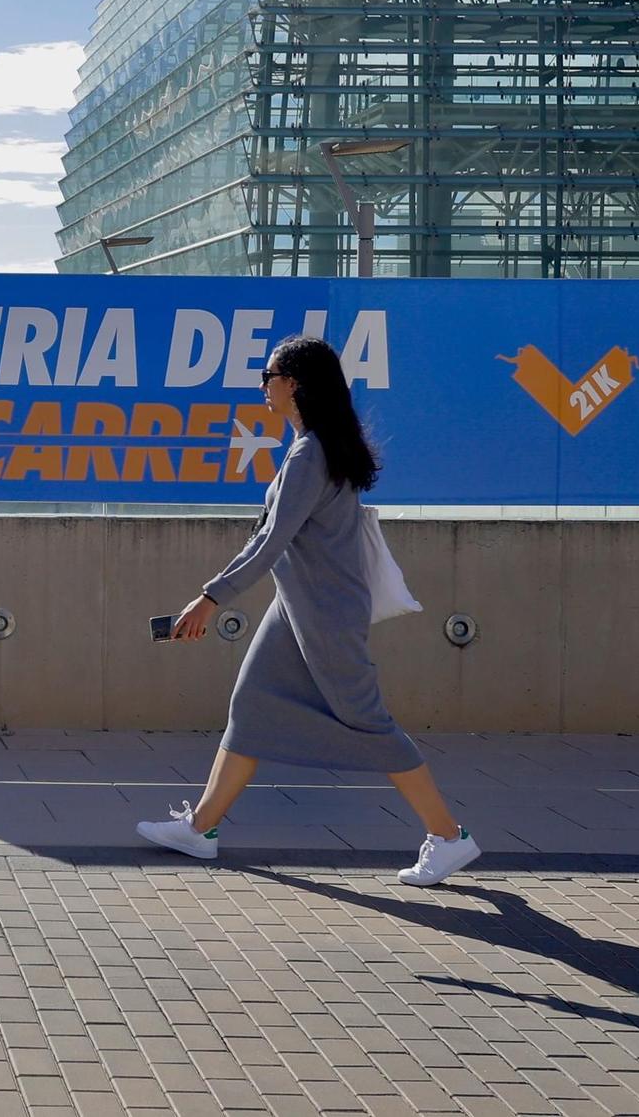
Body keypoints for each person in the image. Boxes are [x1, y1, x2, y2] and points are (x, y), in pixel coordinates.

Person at [135, 336, 482, 887]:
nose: (262, 384)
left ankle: (448, 838)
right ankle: (200, 829)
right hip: (296, 607)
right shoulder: (313, 447)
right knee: (250, 707)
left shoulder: (309, 454)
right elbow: (268, 540)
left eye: (266, 374)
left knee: (370, 722)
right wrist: (214, 592)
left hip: (324, 614)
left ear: (292, 383)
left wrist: (210, 597)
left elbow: (271, 543)